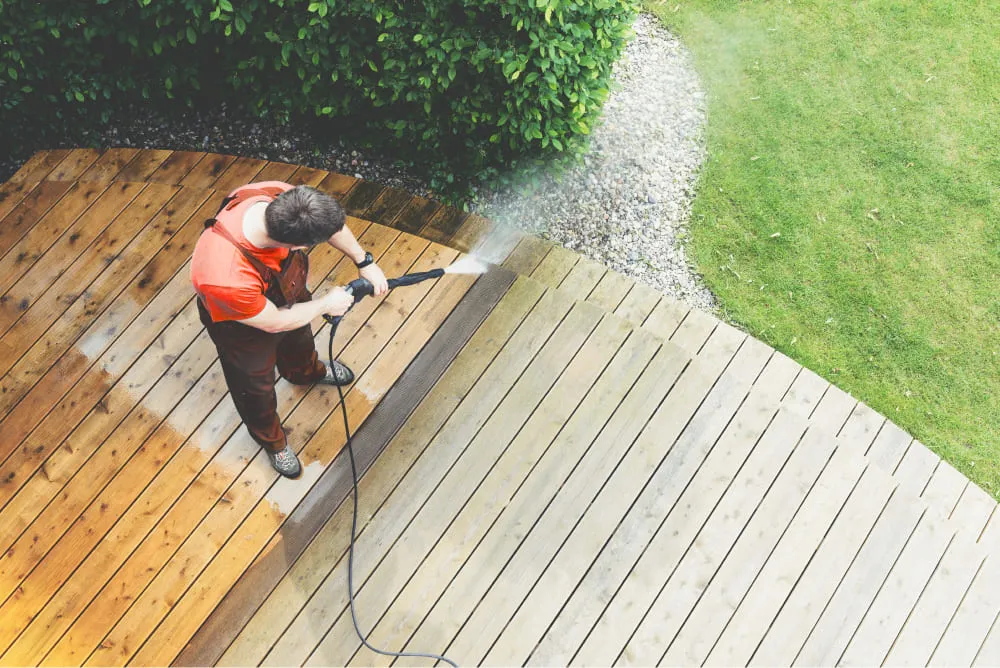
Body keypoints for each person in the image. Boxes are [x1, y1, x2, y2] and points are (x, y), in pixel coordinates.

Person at [190, 181, 388, 478]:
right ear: (297, 246)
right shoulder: (224, 275)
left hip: (286, 293)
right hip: (242, 326)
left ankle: (306, 372)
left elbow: (332, 226)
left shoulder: (282, 199)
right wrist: (325, 304)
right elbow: (274, 322)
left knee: (300, 341)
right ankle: (273, 441)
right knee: (254, 387)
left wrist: (364, 261)